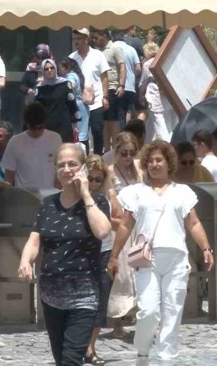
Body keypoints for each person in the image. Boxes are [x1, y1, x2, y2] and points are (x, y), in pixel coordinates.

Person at [107, 140, 215, 365]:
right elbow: (125, 225)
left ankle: (167, 358)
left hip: (176, 259)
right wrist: (114, 255)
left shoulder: (182, 192)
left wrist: (206, 248)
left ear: (168, 163)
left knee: (172, 312)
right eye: (150, 161)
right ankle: (143, 350)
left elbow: (193, 223)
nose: (154, 164)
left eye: (159, 160)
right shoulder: (135, 192)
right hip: (147, 259)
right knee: (148, 311)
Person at [18, 144, 112, 366]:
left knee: (71, 359)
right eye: (61, 165)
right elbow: (35, 239)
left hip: (84, 294)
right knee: (61, 359)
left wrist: (86, 194)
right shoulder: (47, 204)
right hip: (51, 295)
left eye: (73, 164)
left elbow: (103, 231)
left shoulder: (96, 201)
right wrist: (25, 260)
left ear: (83, 168)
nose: (67, 169)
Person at [104, 133, 141, 340]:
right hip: (120, 226)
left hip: (139, 226)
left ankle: (136, 314)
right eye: (124, 153)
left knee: (138, 272)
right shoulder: (110, 172)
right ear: (116, 151)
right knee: (120, 274)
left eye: (132, 153)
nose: (128, 157)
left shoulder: (139, 170)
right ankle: (116, 321)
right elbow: (111, 199)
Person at [84, 154, 114, 365]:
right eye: (90, 179)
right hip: (81, 255)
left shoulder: (102, 200)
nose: (94, 184)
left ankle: (90, 347)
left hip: (104, 253)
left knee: (101, 302)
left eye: (98, 180)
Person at [2, 102, 63, 189]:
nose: (36, 131)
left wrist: (57, 191)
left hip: (51, 194)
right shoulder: (14, 142)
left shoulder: (56, 138)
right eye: (33, 128)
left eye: (40, 128)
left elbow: (60, 170)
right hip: (25, 195)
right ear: (27, 124)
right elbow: (9, 177)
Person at [69, 28, 110, 155]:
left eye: (79, 39)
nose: (76, 42)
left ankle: (98, 157)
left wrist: (105, 97)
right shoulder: (71, 58)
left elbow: (104, 77)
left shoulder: (98, 55)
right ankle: (84, 157)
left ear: (86, 39)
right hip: (79, 103)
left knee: (97, 130)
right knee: (82, 134)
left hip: (96, 101)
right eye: (74, 39)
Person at [92, 29, 127, 152]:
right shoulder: (96, 52)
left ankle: (116, 149)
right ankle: (107, 150)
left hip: (112, 88)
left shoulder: (115, 48)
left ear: (104, 35)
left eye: (96, 38)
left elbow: (122, 66)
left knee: (113, 121)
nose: (94, 40)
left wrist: (121, 85)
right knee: (103, 123)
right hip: (100, 90)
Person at [140, 42, 177, 143]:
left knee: (159, 123)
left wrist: (141, 94)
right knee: (153, 123)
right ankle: (146, 143)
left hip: (155, 96)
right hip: (169, 95)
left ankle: (167, 145)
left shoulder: (148, 64)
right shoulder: (165, 60)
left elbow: (143, 82)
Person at [35, 59, 79, 143]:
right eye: (46, 69)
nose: (50, 70)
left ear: (55, 69)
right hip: (47, 126)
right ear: (43, 71)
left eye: (52, 68)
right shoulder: (40, 88)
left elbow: (72, 105)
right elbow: (37, 109)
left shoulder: (65, 84)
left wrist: (75, 125)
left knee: (64, 148)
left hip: (64, 124)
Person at [59, 57, 89, 148]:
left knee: (77, 135)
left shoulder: (70, 76)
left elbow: (72, 84)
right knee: (82, 135)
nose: (59, 71)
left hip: (75, 106)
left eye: (61, 68)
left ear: (67, 68)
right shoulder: (76, 74)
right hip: (81, 106)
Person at [113, 35, 141, 126]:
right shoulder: (131, 49)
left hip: (117, 86)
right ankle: (128, 132)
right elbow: (138, 69)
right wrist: (131, 75)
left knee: (119, 114)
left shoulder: (112, 48)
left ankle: (121, 132)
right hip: (130, 87)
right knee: (128, 112)